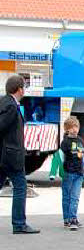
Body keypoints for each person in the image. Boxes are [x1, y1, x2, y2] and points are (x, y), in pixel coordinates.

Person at [0, 74, 39, 235]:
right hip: (10, 156)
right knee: (20, 187)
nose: (25, 91)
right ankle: (19, 224)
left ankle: (19, 223)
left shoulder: (6, 102)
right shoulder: (10, 106)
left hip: (5, 155)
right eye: (24, 87)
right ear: (19, 89)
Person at [60, 116, 84, 230]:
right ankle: (67, 219)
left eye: (76, 126)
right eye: (71, 127)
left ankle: (73, 218)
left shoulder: (80, 140)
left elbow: (83, 155)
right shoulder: (65, 142)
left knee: (75, 197)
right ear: (67, 129)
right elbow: (64, 155)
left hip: (79, 172)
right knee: (67, 196)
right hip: (68, 172)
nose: (74, 129)